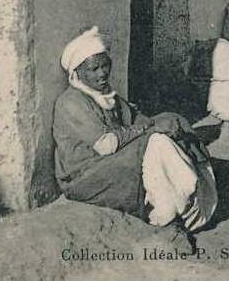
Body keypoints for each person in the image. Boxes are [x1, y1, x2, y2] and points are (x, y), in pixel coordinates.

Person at [52, 27, 217, 250]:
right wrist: (149, 130)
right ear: (77, 73)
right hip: (84, 176)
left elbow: (141, 120)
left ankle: (189, 206)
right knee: (155, 143)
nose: (102, 74)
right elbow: (107, 144)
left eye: (105, 65)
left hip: (109, 164)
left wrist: (167, 122)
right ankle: (166, 220)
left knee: (172, 121)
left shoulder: (107, 96)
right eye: (94, 69)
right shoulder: (71, 103)